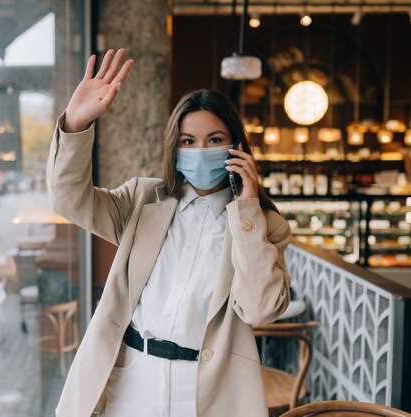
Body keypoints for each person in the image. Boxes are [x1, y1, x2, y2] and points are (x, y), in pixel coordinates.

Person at [47, 48, 291, 417]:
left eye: (214, 139)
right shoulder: (141, 200)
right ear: (174, 147)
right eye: (188, 141)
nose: (200, 150)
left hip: (206, 389)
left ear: (236, 146)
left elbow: (260, 309)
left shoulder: (263, 225)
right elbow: (69, 200)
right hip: (131, 376)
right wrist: (76, 126)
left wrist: (247, 208)